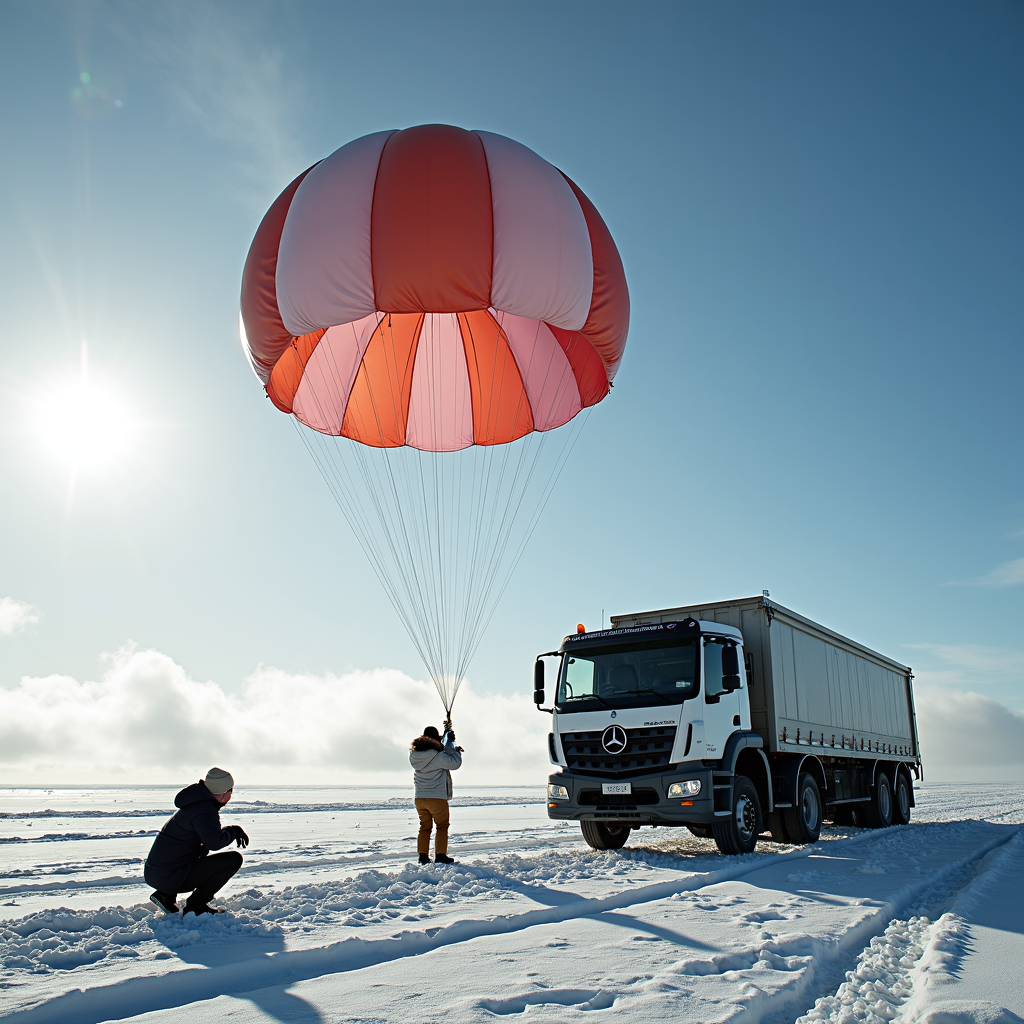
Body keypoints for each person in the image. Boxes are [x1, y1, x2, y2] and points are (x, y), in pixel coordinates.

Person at [144, 767, 250, 916]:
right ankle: (196, 906)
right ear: (223, 793)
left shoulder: (196, 804)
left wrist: (231, 830)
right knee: (233, 859)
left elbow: (207, 836)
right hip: (169, 875)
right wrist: (234, 831)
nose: (231, 794)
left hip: (158, 872)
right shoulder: (204, 810)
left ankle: (165, 895)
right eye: (231, 790)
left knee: (198, 851)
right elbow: (215, 842)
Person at [410, 724, 463, 864]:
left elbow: (433, 746)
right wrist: (455, 750)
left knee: (425, 827)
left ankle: (423, 856)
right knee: (442, 826)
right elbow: (454, 763)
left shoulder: (414, 755)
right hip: (437, 797)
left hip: (420, 798)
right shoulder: (437, 756)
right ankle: (440, 855)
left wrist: (445, 736)